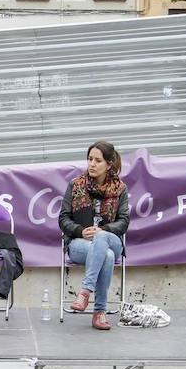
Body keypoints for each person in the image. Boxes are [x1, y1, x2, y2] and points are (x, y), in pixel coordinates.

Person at [58, 141, 129, 330]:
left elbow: (124, 221)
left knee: (103, 240)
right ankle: (99, 312)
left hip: (111, 239)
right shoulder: (75, 185)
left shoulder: (120, 189)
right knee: (107, 256)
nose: (92, 164)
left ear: (109, 164)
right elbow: (63, 219)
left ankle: (85, 291)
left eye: (98, 160)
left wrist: (103, 231)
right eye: (90, 159)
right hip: (80, 243)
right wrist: (80, 231)